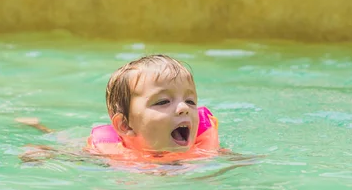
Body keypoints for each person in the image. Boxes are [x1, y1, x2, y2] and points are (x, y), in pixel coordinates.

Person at [17, 54, 220, 165]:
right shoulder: (110, 154)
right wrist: (43, 153)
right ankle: (38, 126)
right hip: (120, 146)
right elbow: (70, 155)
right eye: (163, 101)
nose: (184, 108)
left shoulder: (204, 149)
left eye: (191, 101)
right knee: (63, 138)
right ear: (125, 125)